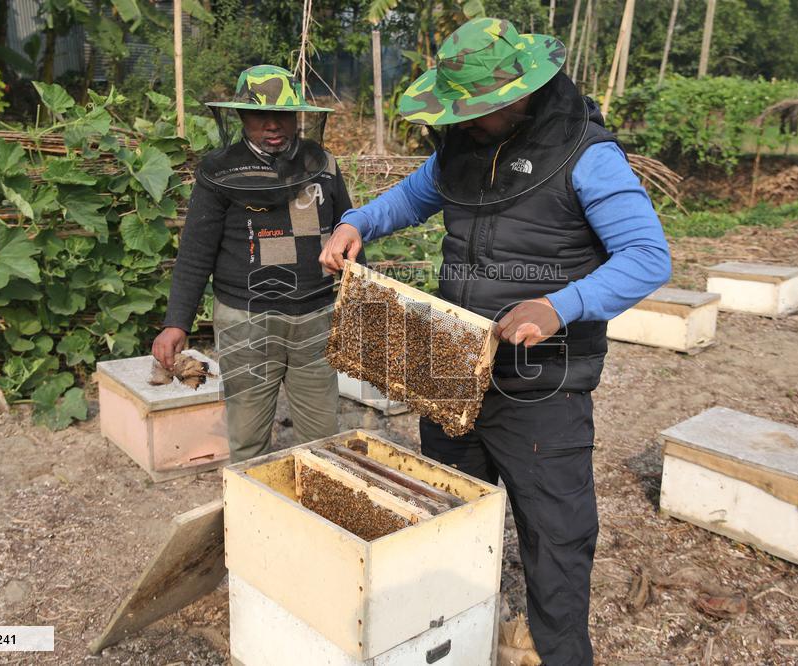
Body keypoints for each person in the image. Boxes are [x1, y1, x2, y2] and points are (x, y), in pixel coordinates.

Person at [320, 18, 671, 665]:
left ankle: (559, 650)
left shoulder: (587, 154)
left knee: (555, 535)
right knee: (448, 515)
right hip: (452, 371)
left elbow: (649, 257)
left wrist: (560, 305)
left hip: (544, 386)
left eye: (475, 107)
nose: (466, 118)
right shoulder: (460, 146)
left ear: (521, 91)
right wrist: (356, 222)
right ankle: (453, 641)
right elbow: (411, 199)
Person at [154, 65, 352, 462]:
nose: (272, 125)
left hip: (315, 316)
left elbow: (350, 232)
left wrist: (366, 306)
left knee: (323, 440)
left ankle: (318, 518)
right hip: (245, 320)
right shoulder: (218, 172)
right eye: (259, 115)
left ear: (297, 116)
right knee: (247, 439)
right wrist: (177, 322)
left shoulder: (323, 164)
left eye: (281, 115)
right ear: (241, 117)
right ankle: (253, 516)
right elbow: (195, 252)